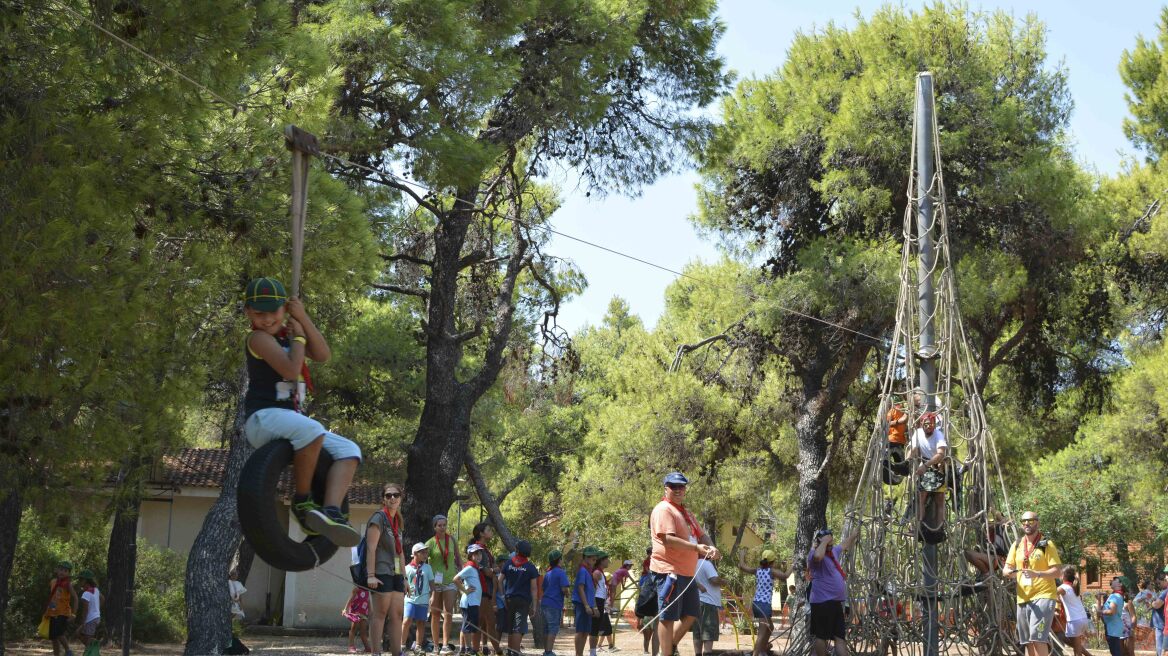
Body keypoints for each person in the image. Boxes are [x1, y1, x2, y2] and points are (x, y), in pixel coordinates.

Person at [241, 277, 361, 546]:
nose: (268, 318)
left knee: (349, 451)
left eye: (274, 311)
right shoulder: (258, 338)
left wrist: (303, 319)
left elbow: (323, 354)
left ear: (284, 309)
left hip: (290, 421)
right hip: (263, 418)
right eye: (259, 313)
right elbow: (290, 370)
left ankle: (330, 511)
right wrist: (297, 337)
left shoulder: (288, 334)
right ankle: (302, 500)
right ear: (248, 313)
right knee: (312, 430)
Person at [648, 472, 719, 656]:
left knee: (691, 613)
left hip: (687, 572)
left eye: (682, 486)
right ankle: (666, 653)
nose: (679, 490)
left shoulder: (686, 512)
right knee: (667, 616)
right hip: (668, 571)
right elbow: (668, 540)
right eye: (674, 486)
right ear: (666, 488)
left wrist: (712, 547)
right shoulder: (664, 509)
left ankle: (669, 646)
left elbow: (702, 535)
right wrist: (697, 548)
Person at [1003, 510, 1063, 656]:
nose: (1026, 524)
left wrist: (1037, 574)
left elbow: (1057, 572)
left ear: (1037, 522)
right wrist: (1009, 573)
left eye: (1030, 520)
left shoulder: (1044, 544)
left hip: (1043, 595)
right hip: (1023, 597)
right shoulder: (1017, 544)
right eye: (1023, 521)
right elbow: (1006, 568)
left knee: (1037, 637)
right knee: (1027, 641)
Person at [366, 483, 407, 656]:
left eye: (395, 495)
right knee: (380, 613)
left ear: (400, 498)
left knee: (397, 614)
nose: (392, 498)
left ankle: (397, 652)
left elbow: (401, 551)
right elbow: (371, 548)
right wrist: (371, 575)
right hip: (381, 571)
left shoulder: (398, 520)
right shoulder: (379, 518)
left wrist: (404, 578)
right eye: (388, 495)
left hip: (396, 572)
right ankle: (376, 653)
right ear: (384, 498)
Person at [808, 527, 859, 656]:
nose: (831, 544)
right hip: (822, 603)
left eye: (831, 541)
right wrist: (823, 542)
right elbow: (818, 557)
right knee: (821, 636)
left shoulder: (832, 552)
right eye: (828, 541)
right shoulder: (814, 553)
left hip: (835, 603)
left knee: (839, 637)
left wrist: (853, 535)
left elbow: (843, 545)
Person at [737, 549, 787, 656]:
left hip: (757, 603)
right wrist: (794, 564)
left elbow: (742, 566)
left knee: (770, 627)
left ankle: (762, 650)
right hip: (764, 604)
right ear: (772, 562)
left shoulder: (757, 570)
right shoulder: (771, 571)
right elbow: (785, 576)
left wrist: (742, 555)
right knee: (762, 632)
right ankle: (756, 653)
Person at [428, 515, 464, 655]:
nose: (442, 528)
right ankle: (435, 646)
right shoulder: (430, 543)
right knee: (435, 614)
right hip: (435, 583)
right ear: (435, 527)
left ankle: (445, 645)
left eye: (444, 525)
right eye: (439, 525)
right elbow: (423, 560)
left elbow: (458, 559)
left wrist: (462, 573)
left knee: (448, 612)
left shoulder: (452, 540)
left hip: (450, 580)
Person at [906, 412, 947, 528]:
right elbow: (913, 449)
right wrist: (907, 462)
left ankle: (939, 528)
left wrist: (925, 465)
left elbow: (940, 455)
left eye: (932, 424)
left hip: (936, 467)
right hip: (926, 467)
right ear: (922, 424)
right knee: (921, 498)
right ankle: (918, 525)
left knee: (939, 500)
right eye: (927, 424)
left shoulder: (938, 434)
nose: (929, 426)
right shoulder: (918, 433)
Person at [502, 540, 541, 656]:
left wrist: (503, 595)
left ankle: (510, 651)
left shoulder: (508, 564)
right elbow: (534, 588)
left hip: (509, 600)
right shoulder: (530, 567)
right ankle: (515, 652)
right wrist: (534, 606)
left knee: (511, 626)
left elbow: (499, 581)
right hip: (522, 602)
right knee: (518, 627)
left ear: (517, 550)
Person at [470, 523, 503, 656]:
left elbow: (492, 569)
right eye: (489, 529)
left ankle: (490, 650)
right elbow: (487, 571)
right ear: (481, 534)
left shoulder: (485, 549)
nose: (491, 531)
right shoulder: (478, 550)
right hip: (481, 590)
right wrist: (496, 569)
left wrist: (494, 570)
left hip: (488, 591)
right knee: (484, 621)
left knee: (486, 621)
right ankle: (477, 650)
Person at [403, 543, 435, 654]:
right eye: (423, 552)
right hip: (410, 599)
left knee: (421, 622)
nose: (425, 555)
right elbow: (403, 583)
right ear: (415, 553)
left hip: (423, 600)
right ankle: (401, 645)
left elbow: (432, 584)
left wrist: (433, 596)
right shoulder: (406, 568)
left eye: (426, 552)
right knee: (407, 621)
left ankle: (418, 646)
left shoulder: (428, 567)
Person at [456, 544, 486, 656]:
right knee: (468, 627)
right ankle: (468, 649)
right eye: (475, 554)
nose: (478, 556)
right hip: (469, 602)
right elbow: (456, 579)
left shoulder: (475, 568)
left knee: (468, 626)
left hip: (474, 602)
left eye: (480, 553)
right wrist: (465, 590)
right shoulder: (469, 568)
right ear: (470, 555)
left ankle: (464, 649)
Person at [541, 549, 571, 656]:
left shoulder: (548, 573)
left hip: (544, 603)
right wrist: (567, 594)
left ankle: (546, 650)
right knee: (553, 627)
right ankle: (549, 652)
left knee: (546, 628)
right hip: (554, 604)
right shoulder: (561, 572)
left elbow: (544, 588)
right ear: (559, 560)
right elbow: (564, 589)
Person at [691, 554, 722, 656]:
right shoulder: (707, 564)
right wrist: (724, 581)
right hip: (708, 602)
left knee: (697, 633)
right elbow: (714, 580)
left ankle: (698, 654)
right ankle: (707, 654)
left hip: (696, 601)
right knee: (708, 633)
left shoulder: (693, 563)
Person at [573, 547, 602, 656]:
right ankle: (578, 654)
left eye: (595, 560)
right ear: (586, 558)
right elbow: (580, 588)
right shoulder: (582, 571)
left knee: (585, 632)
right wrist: (586, 606)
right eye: (593, 560)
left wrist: (594, 606)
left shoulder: (588, 572)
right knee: (580, 631)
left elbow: (591, 591)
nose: (594, 562)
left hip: (589, 605)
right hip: (582, 604)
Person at [46, 560, 78, 656]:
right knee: (54, 637)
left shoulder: (68, 584)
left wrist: (73, 614)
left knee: (59, 633)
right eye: (60, 569)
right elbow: (53, 596)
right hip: (52, 612)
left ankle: (68, 651)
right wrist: (47, 611)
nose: (62, 572)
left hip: (62, 613)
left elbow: (75, 598)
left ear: (68, 573)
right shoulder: (53, 582)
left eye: (65, 570)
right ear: (56, 570)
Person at [964, 511, 1010, 576]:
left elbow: (1008, 520)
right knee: (967, 553)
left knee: (970, 554)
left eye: (992, 521)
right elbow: (987, 525)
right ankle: (987, 574)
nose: (989, 524)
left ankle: (987, 574)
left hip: (998, 559)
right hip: (990, 557)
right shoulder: (988, 532)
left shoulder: (1001, 527)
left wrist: (998, 521)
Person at [1059, 566, 1092, 656]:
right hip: (1082, 618)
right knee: (1070, 641)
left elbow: (1051, 594)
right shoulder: (1073, 587)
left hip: (1074, 620)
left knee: (1076, 650)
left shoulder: (1063, 587)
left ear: (1063, 576)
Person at [588, 553, 616, 655]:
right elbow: (592, 591)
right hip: (597, 601)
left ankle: (593, 651)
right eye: (607, 559)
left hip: (601, 601)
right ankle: (592, 652)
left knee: (597, 628)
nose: (608, 562)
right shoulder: (597, 573)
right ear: (601, 561)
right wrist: (594, 606)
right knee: (594, 628)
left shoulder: (601, 573)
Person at [634, 556, 659, 656]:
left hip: (653, 610)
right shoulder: (645, 578)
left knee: (655, 632)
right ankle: (646, 650)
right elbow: (641, 597)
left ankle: (654, 652)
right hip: (647, 613)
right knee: (647, 635)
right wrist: (639, 619)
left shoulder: (650, 576)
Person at [75, 570, 103, 650]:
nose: (79, 581)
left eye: (81, 579)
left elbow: (85, 610)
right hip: (96, 618)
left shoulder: (86, 594)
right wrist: (97, 610)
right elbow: (103, 599)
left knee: (85, 638)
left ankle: (92, 650)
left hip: (89, 619)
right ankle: (92, 647)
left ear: (86, 581)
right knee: (82, 636)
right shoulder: (96, 590)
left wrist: (83, 623)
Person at [1102, 577, 1128, 656]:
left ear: (1120, 584)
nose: (1112, 580)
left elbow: (1112, 611)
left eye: (1115, 580)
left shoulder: (1115, 596)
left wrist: (1101, 612)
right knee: (1115, 651)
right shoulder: (1118, 595)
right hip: (1114, 627)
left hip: (1112, 628)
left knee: (1115, 652)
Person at [343, 586, 373, 654]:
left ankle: (367, 647)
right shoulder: (357, 588)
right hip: (355, 612)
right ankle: (351, 646)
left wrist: (370, 613)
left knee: (363, 631)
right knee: (353, 629)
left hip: (364, 613)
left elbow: (368, 601)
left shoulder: (368, 590)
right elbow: (350, 598)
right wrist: (345, 608)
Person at [1151, 573, 1167, 656]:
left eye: (1159, 583)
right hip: (1162, 624)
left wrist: (1152, 602)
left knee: (1160, 648)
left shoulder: (1165, 592)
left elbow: (1157, 605)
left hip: (1161, 624)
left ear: (1165, 580)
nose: (1158, 585)